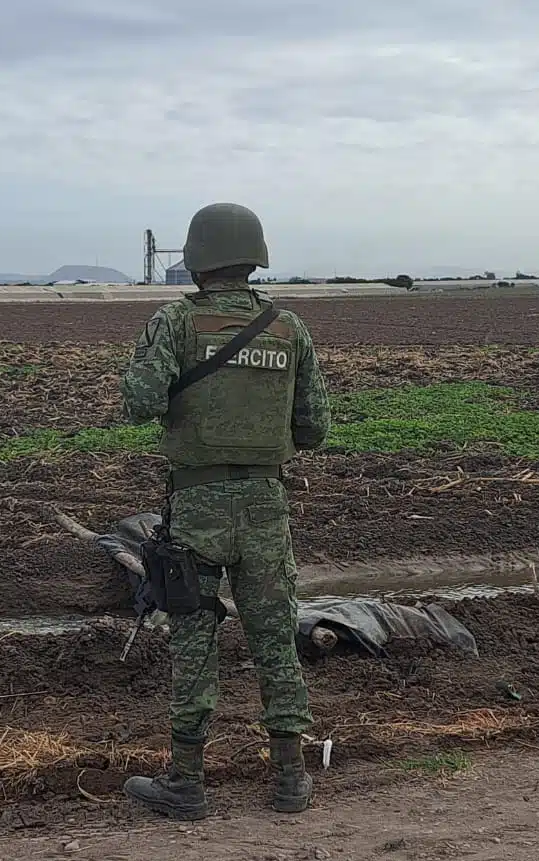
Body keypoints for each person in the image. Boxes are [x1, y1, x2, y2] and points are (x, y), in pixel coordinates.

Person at [118, 202, 331, 819]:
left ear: (196, 258)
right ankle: (290, 779)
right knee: (275, 641)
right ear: (253, 256)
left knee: (193, 644)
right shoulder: (288, 328)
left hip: (197, 506)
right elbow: (314, 428)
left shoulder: (175, 322)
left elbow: (138, 403)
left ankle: (186, 783)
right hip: (267, 506)